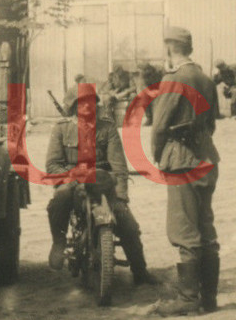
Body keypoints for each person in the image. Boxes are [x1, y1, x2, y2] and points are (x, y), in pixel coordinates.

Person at [45, 87, 158, 286]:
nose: (88, 107)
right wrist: (71, 177)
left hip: (102, 182)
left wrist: (121, 196)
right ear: (73, 107)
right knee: (59, 199)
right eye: (82, 103)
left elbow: (119, 166)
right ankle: (59, 241)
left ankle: (140, 271)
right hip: (73, 181)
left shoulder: (107, 128)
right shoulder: (61, 128)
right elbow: (52, 164)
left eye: (91, 102)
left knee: (128, 225)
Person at [151, 26, 221, 316]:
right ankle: (208, 299)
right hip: (207, 158)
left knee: (184, 229)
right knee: (205, 227)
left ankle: (188, 298)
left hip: (182, 160)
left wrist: (159, 157)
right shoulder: (205, 79)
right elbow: (212, 123)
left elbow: (158, 127)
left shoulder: (172, 79)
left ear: (170, 48)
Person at [136, 62, 163, 126]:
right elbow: (143, 86)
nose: (146, 71)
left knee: (158, 100)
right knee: (143, 99)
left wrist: (158, 92)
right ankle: (149, 118)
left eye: (147, 70)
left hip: (159, 91)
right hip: (149, 91)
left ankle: (158, 119)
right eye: (144, 70)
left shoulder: (158, 73)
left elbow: (163, 83)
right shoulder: (142, 75)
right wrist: (149, 92)